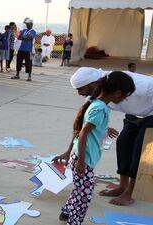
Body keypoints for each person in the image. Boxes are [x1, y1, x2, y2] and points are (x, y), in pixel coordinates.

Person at [54, 67, 153, 207]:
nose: (79, 93)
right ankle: (122, 186)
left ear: (93, 84)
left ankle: (130, 192)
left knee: (140, 150)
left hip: (151, 113)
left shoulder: (136, 84)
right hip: (135, 114)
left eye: (81, 89)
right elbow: (81, 127)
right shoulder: (97, 96)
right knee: (123, 144)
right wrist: (69, 150)